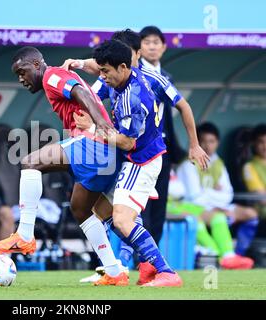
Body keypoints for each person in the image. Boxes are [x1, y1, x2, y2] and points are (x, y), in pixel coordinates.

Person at [62, 28, 209, 282]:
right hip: (137, 156)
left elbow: (128, 142)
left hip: (141, 159)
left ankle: (163, 271)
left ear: (130, 58)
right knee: (106, 211)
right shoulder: (119, 78)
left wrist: (93, 128)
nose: (103, 75)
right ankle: (130, 268)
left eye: (106, 71)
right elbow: (95, 81)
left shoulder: (136, 93)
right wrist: (76, 65)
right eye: (102, 70)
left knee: (121, 218)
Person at [0, 46, 128, 286]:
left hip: (93, 143)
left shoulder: (52, 75)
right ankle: (116, 271)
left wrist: (103, 123)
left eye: (22, 72)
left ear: (36, 64)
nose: (21, 79)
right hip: (102, 149)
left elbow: (80, 93)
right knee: (83, 210)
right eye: (17, 75)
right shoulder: (56, 78)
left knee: (30, 162)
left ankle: (24, 234)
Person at [176, 122, 257, 269]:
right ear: (195, 142)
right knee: (209, 217)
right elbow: (195, 197)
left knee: (248, 213)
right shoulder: (188, 164)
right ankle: (220, 256)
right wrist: (214, 193)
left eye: (211, 141)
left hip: (215, 206)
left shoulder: (218, 163)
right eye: (203, 141)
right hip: (188, 206)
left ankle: (234, 254)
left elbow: (228, 194)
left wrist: (208, 194)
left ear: (217, 143)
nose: (207, 146)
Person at [243, 124, 266, 230]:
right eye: (261, 142)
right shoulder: (249, 167)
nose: (265, 146)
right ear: (254, 143)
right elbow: (262, 198)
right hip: (262, 212)